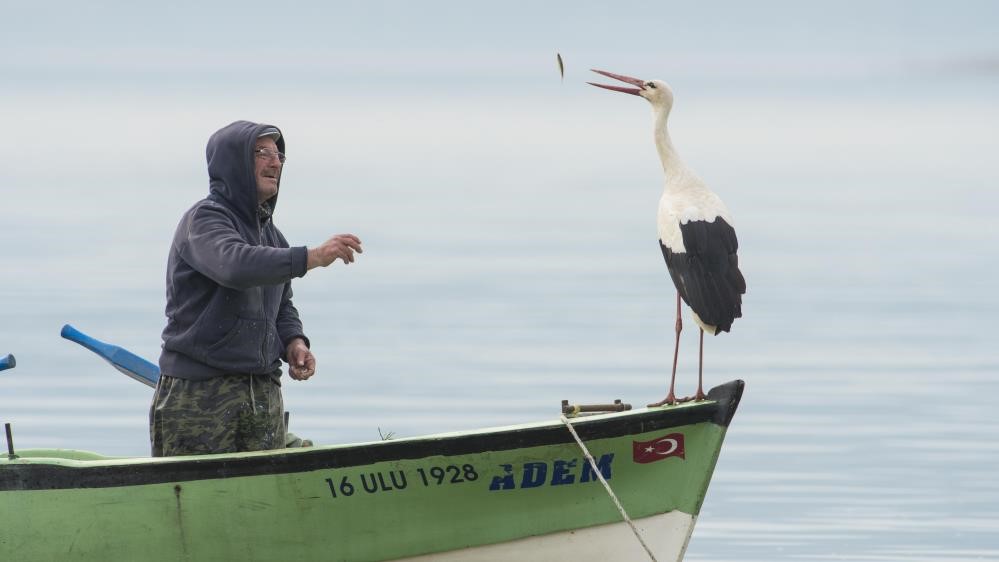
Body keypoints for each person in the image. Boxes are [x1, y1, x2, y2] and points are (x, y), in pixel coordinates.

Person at [150, 120, 363, 456]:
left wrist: (294, 342)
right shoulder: (205, 221)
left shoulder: (273, 237)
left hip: (262, 393)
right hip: (202, 395)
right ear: (232, 163)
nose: (275, 162)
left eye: (278, 154)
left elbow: (282, 307)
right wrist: (314, 256)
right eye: (261, 153)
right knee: (205, 503)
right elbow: (235, 266)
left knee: (264, 501)